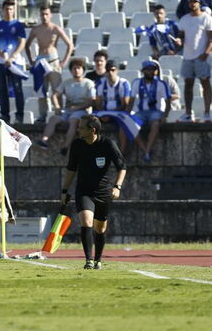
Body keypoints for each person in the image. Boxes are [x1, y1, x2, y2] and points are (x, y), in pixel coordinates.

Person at [60, 115, 127, 270]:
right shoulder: (77, 145)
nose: (78, 130)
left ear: (93, 130)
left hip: (104, 193)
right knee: (86, 221)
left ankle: (98, 260)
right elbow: (71, 169)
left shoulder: (108, 144)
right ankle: (89, 260)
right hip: (84, 192)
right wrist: (64, 190)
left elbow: (122, 167)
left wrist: (117, 187)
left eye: (82, 127)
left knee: (100, 228)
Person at [37, 58, 96, 154]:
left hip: (82, 110)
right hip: (68, 109)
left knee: (73, 121)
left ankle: (65, 147)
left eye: (79, 68)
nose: (76, 70)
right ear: (71, 70)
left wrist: (78, 108)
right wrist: (57, 106)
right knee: (54, 118)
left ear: (83, 70)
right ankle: (44, 140)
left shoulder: (88, 83)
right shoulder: (66, 82)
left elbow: (91, 101)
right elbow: (55, 95)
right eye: (74, 68)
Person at [25, 6, 72, 123]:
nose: (44, 17)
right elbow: (27, 45)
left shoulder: (55, 28)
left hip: (53, 61)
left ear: (50, 15)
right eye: (42, 14)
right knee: (42, 90)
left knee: (56, 90)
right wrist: (31, 61)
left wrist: (64, 61)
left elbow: (70, 45)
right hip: (41, 61)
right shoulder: (36, 29)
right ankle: (42, 115)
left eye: (46, 14)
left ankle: (59, 113)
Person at [177, 0, 212, 122]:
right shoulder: (184, 19)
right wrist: (179, 41)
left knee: (205, 83)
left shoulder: (207, 18)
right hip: (187, 57)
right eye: (191, 2)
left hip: (201, 57)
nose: (193, 4)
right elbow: (181, 36)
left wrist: (205, 54)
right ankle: (188, 113)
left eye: (195, 2)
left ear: (199, 3)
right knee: (188, 85)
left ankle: (207, 113)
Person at [133, 59, 171, 163]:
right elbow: (131, 100)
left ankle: (147, 150)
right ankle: (146, 150)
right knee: (131, 125)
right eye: (148, 70)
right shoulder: (137, 82)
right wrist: (128, 114)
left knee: (155, 125)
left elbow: (168, 101)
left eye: (152, 70)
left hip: (156, 112)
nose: (150, 72)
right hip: (141, 112)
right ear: (143, 71)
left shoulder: (161, 83)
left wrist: (165, 115)